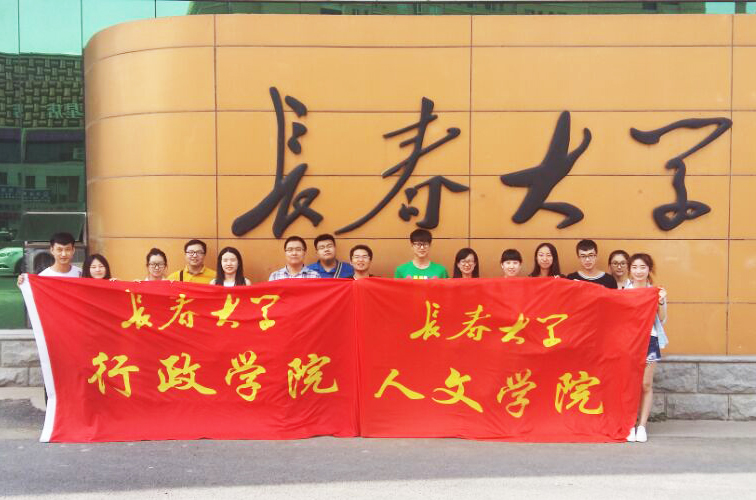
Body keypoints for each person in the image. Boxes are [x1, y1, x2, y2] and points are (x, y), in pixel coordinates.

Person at [625, 253, 668, 443]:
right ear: (629, 270)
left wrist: (661, 302)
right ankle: (629, 424)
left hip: (649, 340)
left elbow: (662, 319)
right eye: (634, 267)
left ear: (649, 269)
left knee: (645, 384)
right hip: (628, 343)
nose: (638, 271)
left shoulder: (656, 292)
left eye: (642, 267)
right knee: (629, 384)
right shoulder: (624, 292)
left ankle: (642, 426)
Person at [17, 232, 81, 285]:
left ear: (73, 250)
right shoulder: (44, 276)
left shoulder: (81, 274)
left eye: (67, 249)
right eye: (59, 250)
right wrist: (23, 283)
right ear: (52, 250)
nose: (63, 254)